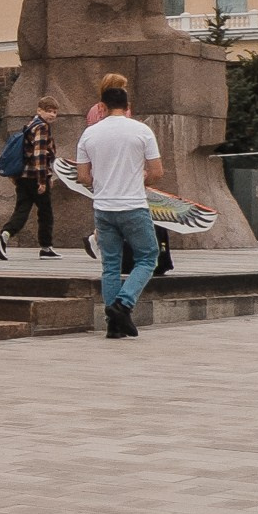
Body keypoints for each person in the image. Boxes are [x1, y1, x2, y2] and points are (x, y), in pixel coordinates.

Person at [73, 74, 163, 337]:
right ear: (127, 106)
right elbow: (157, 171)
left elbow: (82, 176)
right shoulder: (142, 131)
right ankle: (123, 304)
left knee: (110, 264)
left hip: (103, 207)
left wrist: (100, 183)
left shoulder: (89, 134)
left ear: (102, 106)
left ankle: (114, 325)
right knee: (147, 257)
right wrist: (140, 178)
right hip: (133, 205)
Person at [0, 97, 62, 259]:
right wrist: (42, 180)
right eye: (48, 110)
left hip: (22, 176)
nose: (52, 115)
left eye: (54, 112)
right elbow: (39, 155)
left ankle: (4, 235)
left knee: (22, 209)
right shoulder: (42, 127)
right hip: (34, 177)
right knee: (45, 213)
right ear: (39, 110)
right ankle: (46, 247)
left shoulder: (30, 124)